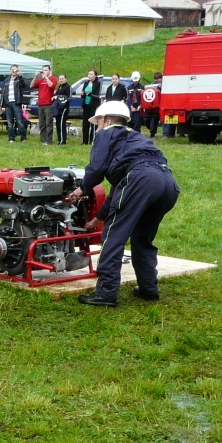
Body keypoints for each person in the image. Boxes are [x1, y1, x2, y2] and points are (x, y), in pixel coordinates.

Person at [64, 101, 180, 308]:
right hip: (167, 182)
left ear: (106, 120)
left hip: (140, 180)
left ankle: (106, 292)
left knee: (113, 236)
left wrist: (82, 189)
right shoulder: (136, 138)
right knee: (142, 237)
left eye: (97, 123)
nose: (96, 129)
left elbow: (97, 168)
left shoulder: (106, 133)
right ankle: (148, 288)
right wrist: (97, 219)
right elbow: (120, 190)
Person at [31, 65, 57, 145]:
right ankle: (43, 140)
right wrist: (35, 77)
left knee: (48, 122)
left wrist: (46, 77)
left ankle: (49, 140)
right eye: (43, 70)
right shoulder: (40, 80)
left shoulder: (53, 78)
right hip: (40, 104)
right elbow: (31, 86)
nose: (44, 72)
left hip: (48, 104)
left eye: (46, 70)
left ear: (49, 70)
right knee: (42, 123)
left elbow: (51, 86)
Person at [3, 65, 27, 142]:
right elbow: (4, 92)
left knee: (19, 121)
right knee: (9, 122)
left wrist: (20, 75)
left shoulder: (19, 79)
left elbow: (23, 85)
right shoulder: (7, 80)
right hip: (8, 103)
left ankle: (23, 137)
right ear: (10, 70)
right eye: (12, 69)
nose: (13, 71)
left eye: (15, 69)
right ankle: (11, 137)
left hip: (16, 102)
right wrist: (2, 104)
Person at [80, 69, 102, 144]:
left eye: (91, 74)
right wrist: (83, 94)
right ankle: (84, 141)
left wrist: (90, 94)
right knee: (85, 124)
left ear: (95, 75)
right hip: (86, 105)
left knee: (93, 123)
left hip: (93, 106)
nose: (89, 75)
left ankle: (92, 140)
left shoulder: (98, 83)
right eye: (89, 74)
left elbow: (97, 95)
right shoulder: (86, 83)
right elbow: (83, 94)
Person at [53, 73, 72, 145]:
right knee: (58, 124)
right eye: (60, 79)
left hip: (64, 108)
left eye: (62, 79)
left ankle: (62, 141)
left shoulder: (68, 87)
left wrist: (58, 97)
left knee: (61, 124)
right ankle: (59, 139)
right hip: (58, 108)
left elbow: (69, 97)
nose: (61, 80)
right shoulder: (60, 87)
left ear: (66, 79)